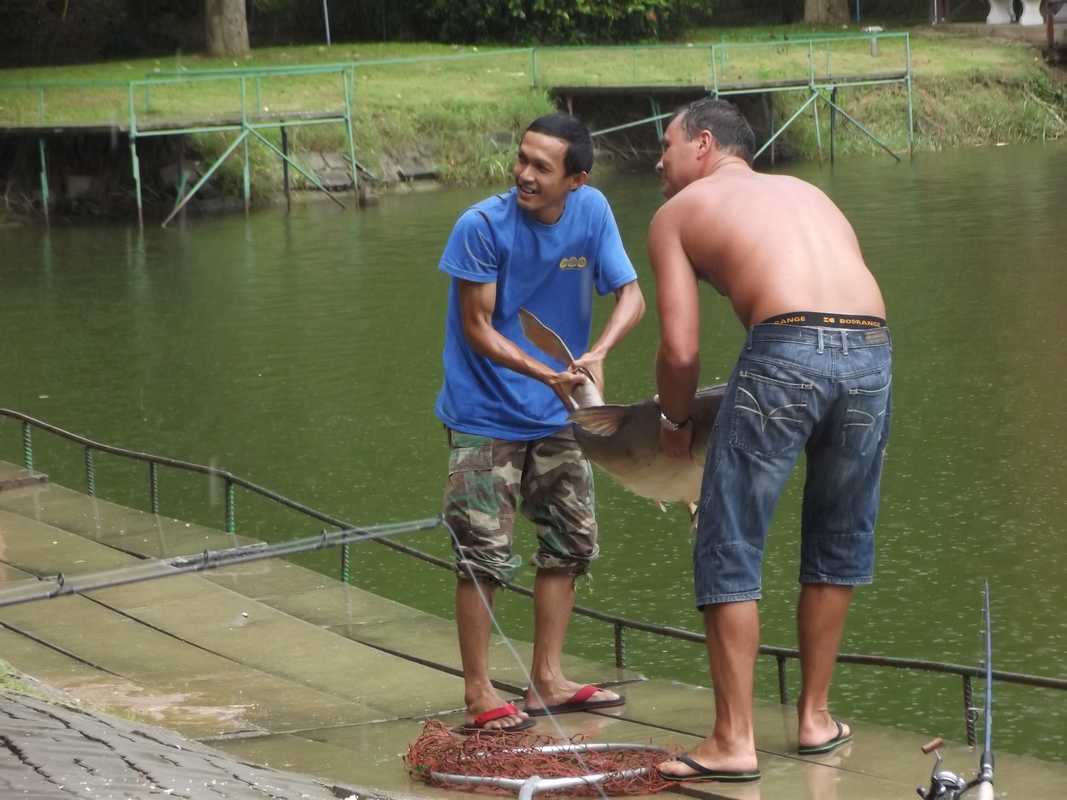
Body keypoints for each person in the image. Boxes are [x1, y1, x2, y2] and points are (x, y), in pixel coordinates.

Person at [649, 98, 891, 781]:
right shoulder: (806, 191)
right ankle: (814, 719)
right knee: (838, 533)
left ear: (702, 144)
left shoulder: (676, 214)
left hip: (785, 342)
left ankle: (732, 740)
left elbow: (679, 349)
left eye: (665, 146)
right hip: (871, 349)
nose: (659, 163)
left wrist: (672, 424)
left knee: (729, 533)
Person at [435, 113, 646, 733]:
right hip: (484, 415)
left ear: (575, 179)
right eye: (521, 159)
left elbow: (631, 295)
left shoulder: (594, 211)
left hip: (559, 412)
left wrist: (600, 350)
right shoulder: (480, 226)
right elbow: (478, 328)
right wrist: (546, 374)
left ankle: (546, 680)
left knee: (572, 541)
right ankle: (479, 693)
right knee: (483, 553)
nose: (524, 174)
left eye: (541, 167)